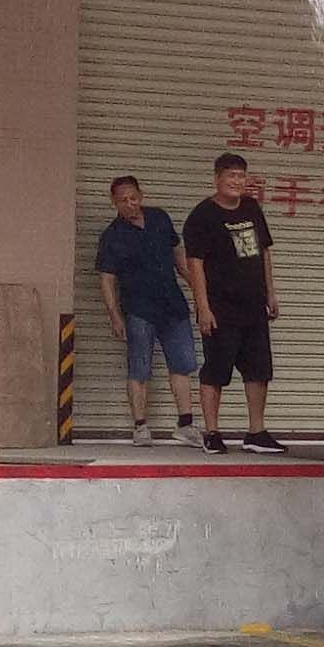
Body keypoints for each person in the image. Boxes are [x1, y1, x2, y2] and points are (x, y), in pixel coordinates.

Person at [180, 150, 284, 454]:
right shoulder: (202, 216)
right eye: (231, 176)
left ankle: (256, 432)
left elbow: (264, 252)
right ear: (217, 179)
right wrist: (203, 307)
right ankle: (212, 433)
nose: (236, 181)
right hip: (220, 308)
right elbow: (195, 264)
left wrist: (270, 292)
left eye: (241, 176)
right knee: (216, 370)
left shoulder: (251, 208)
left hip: (253, 305)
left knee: (258, 370)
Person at [92, 173, 202, 444]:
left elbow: (179, 256)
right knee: (139, 368)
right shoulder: (112, 236)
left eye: (134, 198)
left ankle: (186, 425)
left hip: (173, 305)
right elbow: (107, 280)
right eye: (123, 200)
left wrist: (199, 291)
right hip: (139, 310)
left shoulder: (160, 218)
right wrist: (115, 317)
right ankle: (140, 426)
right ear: (114, 202)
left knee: (182, 365)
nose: (130, 204)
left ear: (141, 196)